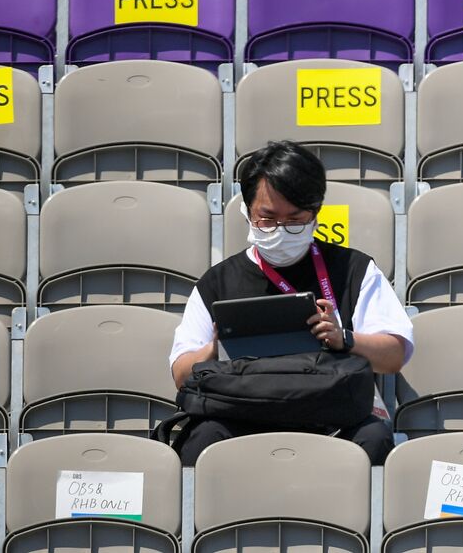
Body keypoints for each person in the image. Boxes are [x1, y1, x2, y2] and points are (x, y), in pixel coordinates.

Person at [168, 140, 413, 465]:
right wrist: (213, 349)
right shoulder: (218, 282)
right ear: (246, 211)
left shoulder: (353, 269)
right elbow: (181, 374)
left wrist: (345, 338)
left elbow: (394, 355)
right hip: (241, 417)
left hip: (328, 418)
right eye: (267, 219)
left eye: (295, 220)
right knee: (201, 439)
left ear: (315, 214)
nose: (281, 231)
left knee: (374, 438)